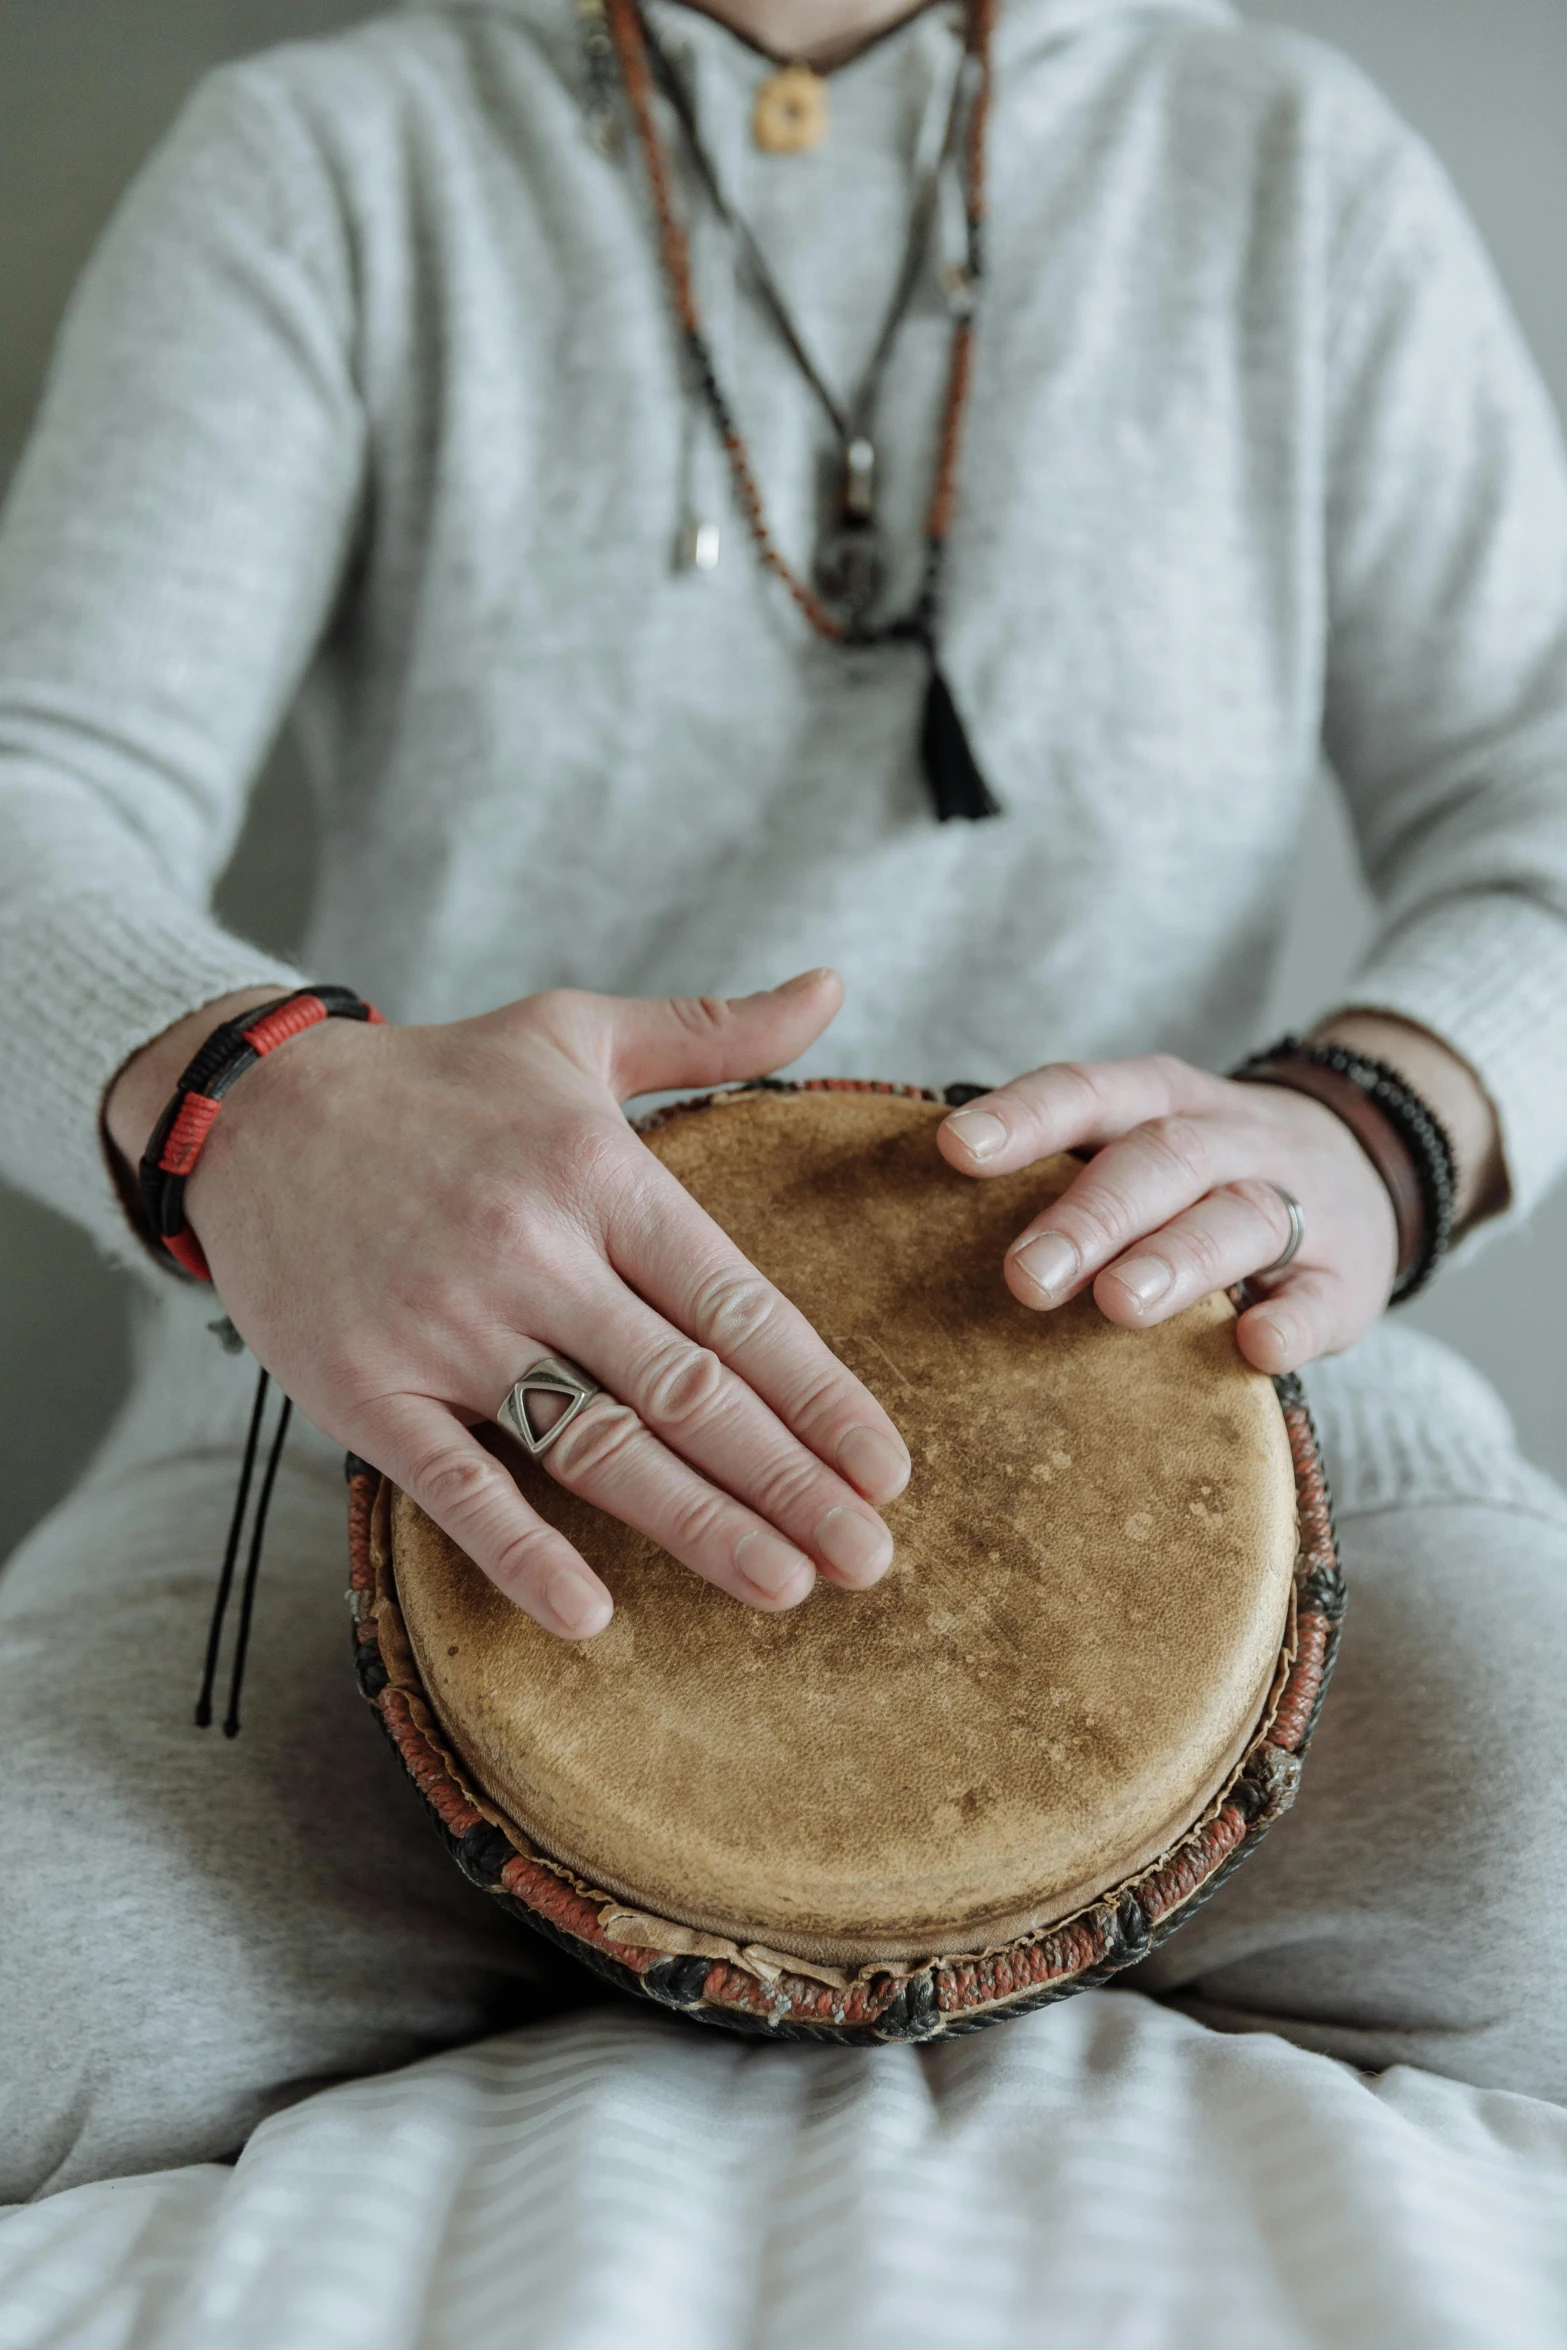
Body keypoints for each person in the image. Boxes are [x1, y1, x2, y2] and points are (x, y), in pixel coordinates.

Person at [1, 0, 1565, 2203]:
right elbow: (35, 782)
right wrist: (252, 1105)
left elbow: (1541, 792)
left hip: (1196, 1378)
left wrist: (1372, 1126)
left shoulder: (1289, 159)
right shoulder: (330, 158)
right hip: (399, 1379)